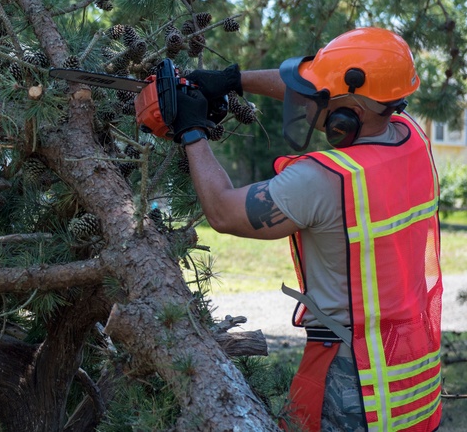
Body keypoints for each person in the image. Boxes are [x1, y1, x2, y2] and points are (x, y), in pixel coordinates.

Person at [170, 27, 442, 432]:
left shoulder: (325, 179)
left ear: (351, 112)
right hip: (414, 382)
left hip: (352, 384)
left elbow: (224, 213)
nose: (310, 104)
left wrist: (192, 131)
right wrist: (233, 80)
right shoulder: (412, 137)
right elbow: (313, 88)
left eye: (324, 100)